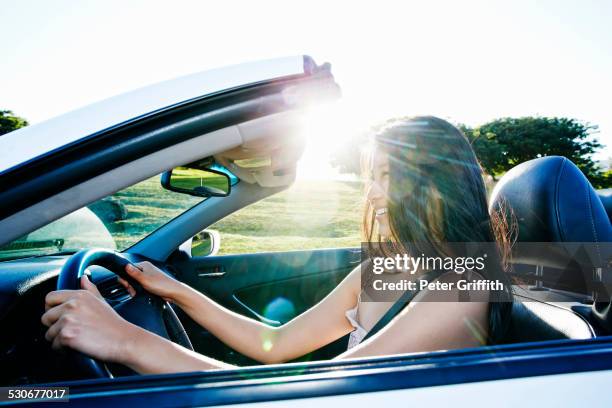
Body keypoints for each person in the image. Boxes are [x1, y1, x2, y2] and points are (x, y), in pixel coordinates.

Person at [41, 116, 514, 374]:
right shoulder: (379, 274)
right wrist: (178, 291)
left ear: (437, 185)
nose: (372, 194)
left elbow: (321, 393)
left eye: (388, 177)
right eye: (373, 177)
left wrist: (124, 339)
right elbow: (276, 346)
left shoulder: (465, 286)